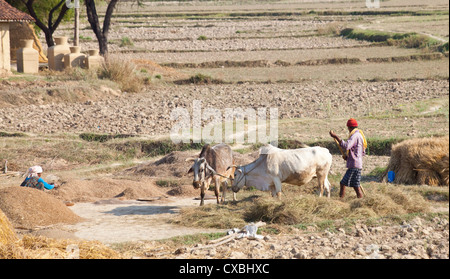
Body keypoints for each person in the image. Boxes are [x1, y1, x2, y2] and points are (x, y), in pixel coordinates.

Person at [329, 118, 367, 198]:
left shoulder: (355, 136)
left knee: (343, 183)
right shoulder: (359, 135)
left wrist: (336, 136)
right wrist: (348, 157)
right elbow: (359, 152)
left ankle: (341, 200)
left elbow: (347, 146)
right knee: (356, 186)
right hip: (356, 164)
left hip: (354, 165)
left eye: (348, 128)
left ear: (349, 128)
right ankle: (360, 200)